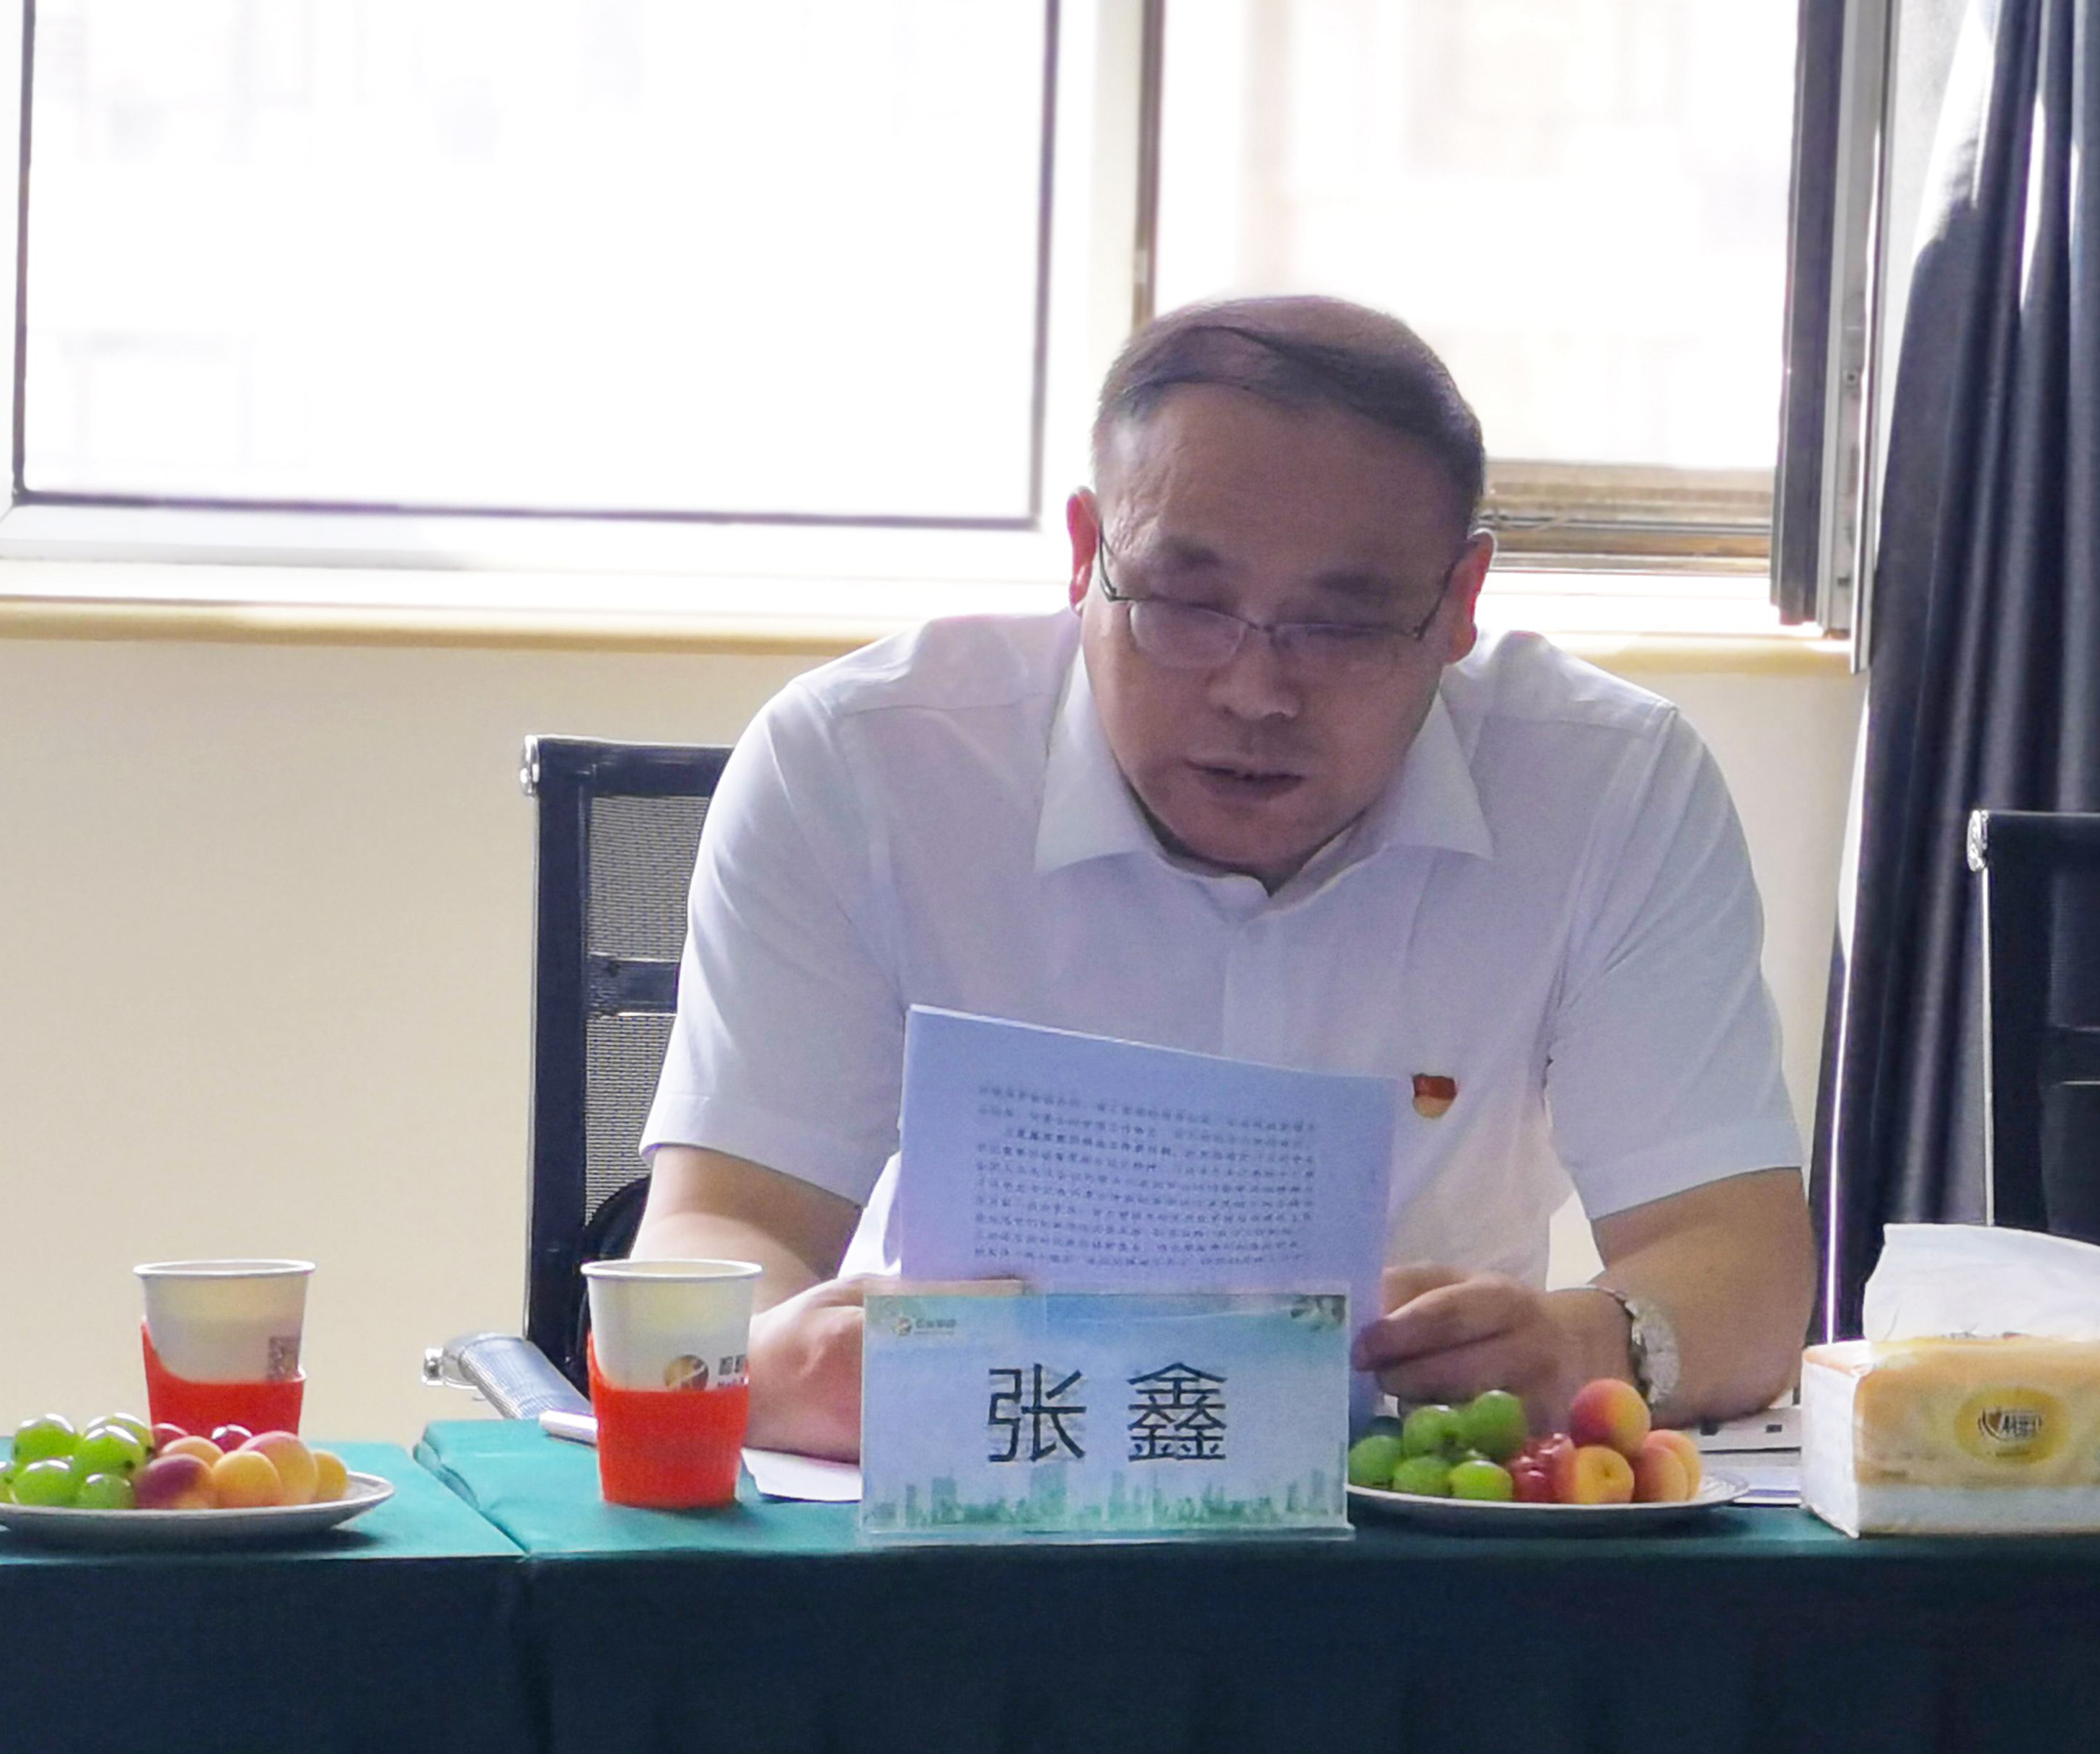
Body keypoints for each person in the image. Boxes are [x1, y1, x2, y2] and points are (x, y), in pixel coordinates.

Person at [633, 295, 1815, 1460]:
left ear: (1459, 605)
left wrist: (1588, 1344)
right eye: (1186, 605)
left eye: (1341, 626)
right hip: (968, 1478)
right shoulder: (860, 766)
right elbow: (720, 1225)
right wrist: (782, 1359)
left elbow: (1746, 1269)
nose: (1256, 692)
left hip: (1410, 1511)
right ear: (1087, 556)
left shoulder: (1611, 788)